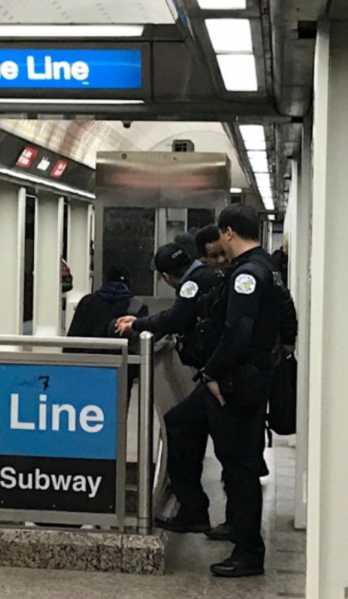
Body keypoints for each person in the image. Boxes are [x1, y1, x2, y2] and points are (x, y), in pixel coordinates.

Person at [165, 204, 285, 578]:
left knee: (240, 466)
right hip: (245, 377)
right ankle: (200, 511)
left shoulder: (247, 274)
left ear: (229, 232)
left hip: (235, 384)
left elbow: (238, 331)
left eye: (222, 238)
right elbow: (288, 318)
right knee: (182, 422)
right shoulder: (269, 268)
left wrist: (213, 372)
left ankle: (248, 551)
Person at [115, 243, 223, 371]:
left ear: (166, 276)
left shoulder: (192, 285)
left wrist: (136, 324)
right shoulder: (207, 274)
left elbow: (174, 319)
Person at [66, 265, 148, 346]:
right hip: (122, 358)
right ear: (129, 282)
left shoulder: (87, 302)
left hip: (88, 357)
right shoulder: (137, 306)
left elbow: (73, 338)